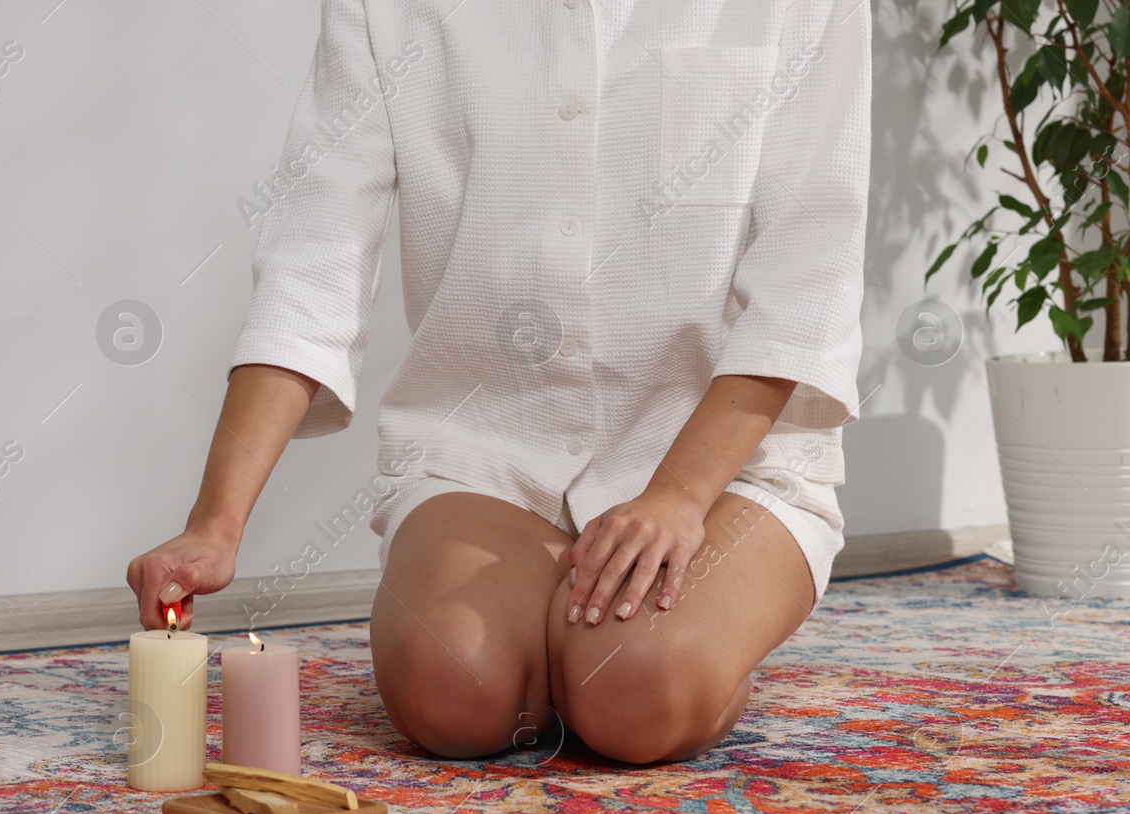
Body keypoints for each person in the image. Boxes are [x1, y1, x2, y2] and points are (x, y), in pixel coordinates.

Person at [127, 0, 870, 764]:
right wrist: (217, 522)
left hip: (727, 473)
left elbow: (808, 275)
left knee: (637, 689)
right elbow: (316, 256)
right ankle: (556, 643)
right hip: (489, 456)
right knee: (453, 691)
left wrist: (677, 495)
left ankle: (649, 653)